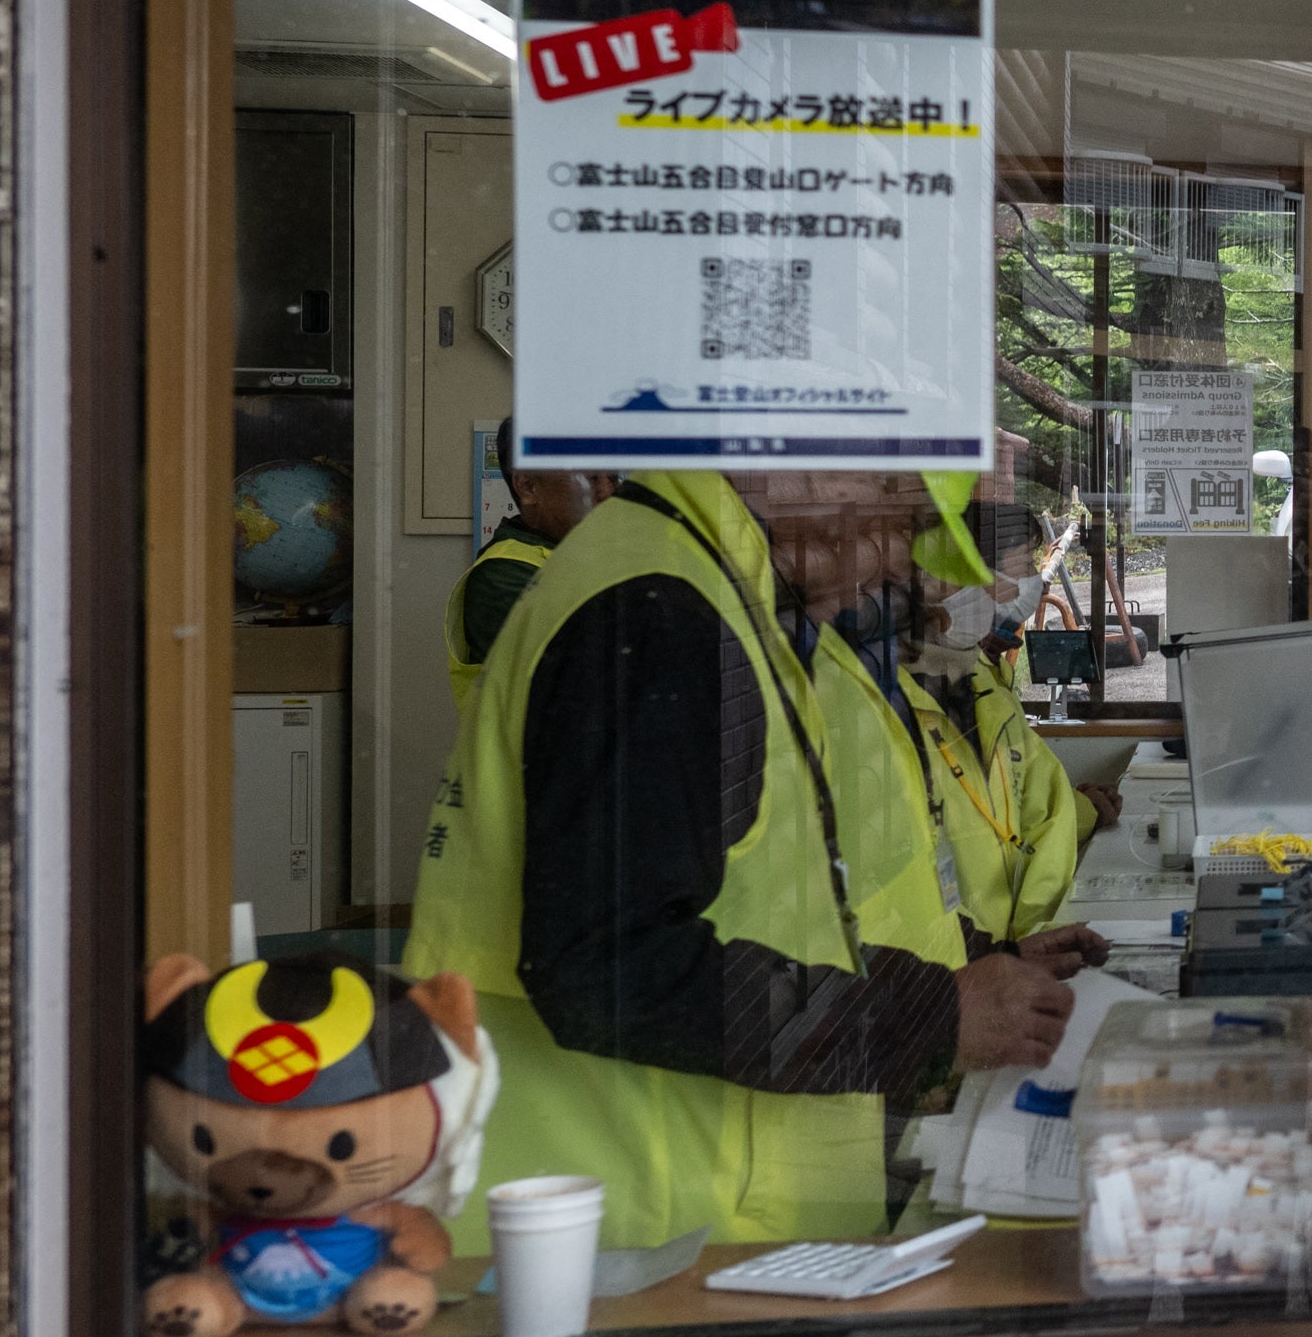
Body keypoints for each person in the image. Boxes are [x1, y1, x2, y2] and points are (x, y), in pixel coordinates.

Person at [408, 470, 1087, 1249]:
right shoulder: (661, 610)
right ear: (807, 471)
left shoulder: (729, 595)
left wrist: (971, 962)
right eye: (895, 522)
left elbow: (802, 888)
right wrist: (930, 1016)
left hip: (718, 1209)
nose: (898, 566)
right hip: (640, 1231)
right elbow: (612, 958)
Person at [903, 485, 1113, 953]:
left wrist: (1087, 812)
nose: (1016, 596)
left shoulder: (983, 690)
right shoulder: (890, 705)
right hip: (955, 974)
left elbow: (1039, 803)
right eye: (1009, 576)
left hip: (1010, 953)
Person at [445, 418, 616, 713]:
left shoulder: (589, 556)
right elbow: (592, 688)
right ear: (528, 486)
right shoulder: (503, 576)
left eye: (613, 476)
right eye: (590, 477)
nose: (607, 492)